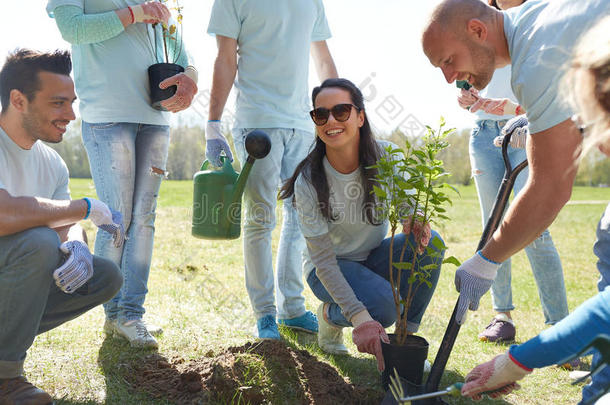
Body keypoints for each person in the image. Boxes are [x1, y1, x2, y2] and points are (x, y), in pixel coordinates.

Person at [421, 0, 610, 402]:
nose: (450, 77)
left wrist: (487, 259)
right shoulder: (542, 18)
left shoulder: (536, 57)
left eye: (449, 61)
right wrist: (548, 119)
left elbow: (550, 190)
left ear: (477, 30)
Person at [46, 0, 199, 348]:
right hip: (108, 116)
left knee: (144, 219)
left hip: (157, 118)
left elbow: (180, 49)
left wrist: (190, 78)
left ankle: (130, 314)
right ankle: (113, 313)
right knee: (117, 216)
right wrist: (134, 14)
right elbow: (73, 28)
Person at [279, 78, 444, 369]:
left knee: (432, 246)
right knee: (384, 307)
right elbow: (323, 262)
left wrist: (413, 218)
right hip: (328, 270)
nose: (331, 120)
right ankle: (330, 316)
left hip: (373, 257)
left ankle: (404, 343)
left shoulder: (387, 157)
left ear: (360, 116)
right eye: (321, 114)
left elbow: (407, 206)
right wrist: (360, 317)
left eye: (341, 111)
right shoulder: (308, 180)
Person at [206, 0, 338, 339]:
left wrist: (340, 109)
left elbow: (321, 57)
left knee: (300, 219)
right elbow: (225, 59)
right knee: (262, 218)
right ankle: (265, 314)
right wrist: (213, 123)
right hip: (257, 124)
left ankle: (291, 308)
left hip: (300, 123)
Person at [0, 49, 124, 404]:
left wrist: (76, 243)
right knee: (37, 242)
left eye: (71, 102)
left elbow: (62, 223)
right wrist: (84, 207)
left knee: (104, 276)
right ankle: (5, 379)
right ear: (19, 100)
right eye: (58, 103)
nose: (70, 115)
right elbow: (4, 214)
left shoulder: (52, 163)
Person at [456, 0, 569, 343]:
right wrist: (466, 94)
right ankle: (501, 316)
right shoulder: (479, 20)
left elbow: (551, 84)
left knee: (534, 228)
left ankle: (559, 327)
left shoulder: (540, 15)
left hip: (526, 129)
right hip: (483, 133)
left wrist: (510, 107)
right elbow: (465, 78)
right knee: (493, 225)